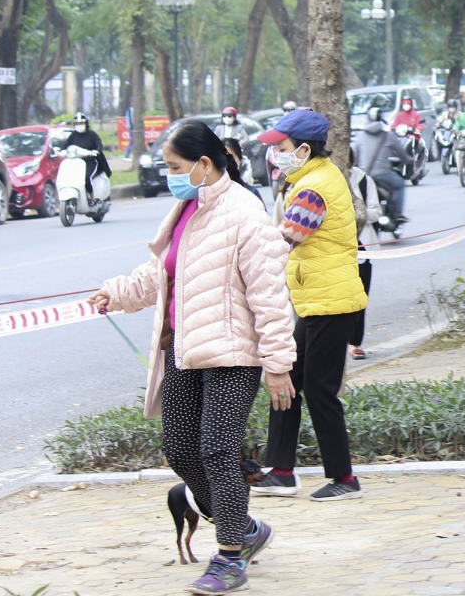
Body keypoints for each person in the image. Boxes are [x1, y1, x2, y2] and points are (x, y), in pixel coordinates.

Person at [88, 120, 296, 595]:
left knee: (219, 451)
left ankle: (228, 557)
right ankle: (243, 528)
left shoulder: (245, 213)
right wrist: (116, 292)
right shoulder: (185, 207)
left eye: (175, 166)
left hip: (232, 355)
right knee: (181, 449)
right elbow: (161, 273)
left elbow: (269, 295)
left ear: (205, 163)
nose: (169, 175)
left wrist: (278, 364)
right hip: (181, 349)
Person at [252, 109, 368, 503]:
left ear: (303, 149)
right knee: (288, 382)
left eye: (280, 148)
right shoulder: (316, 177)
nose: (275, 155)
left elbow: (284, 241)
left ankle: (344, 478)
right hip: (317, 298)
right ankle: (281, 471)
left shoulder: (312, 191)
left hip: (329, 302)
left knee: (319, 390)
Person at [346, 148, 382, 361]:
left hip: (362, 248)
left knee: (360, 297)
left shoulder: (364, 181)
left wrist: (356, 213)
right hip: (335, 249)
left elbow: (376, 212)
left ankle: (355, 343)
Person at [352, 108, 413, 223]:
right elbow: (402, 154)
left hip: (364, 176)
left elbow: (354, 157)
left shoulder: (360, 137)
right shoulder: (388, 136)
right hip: (384, 174)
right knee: (400, 184)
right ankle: (397, 214)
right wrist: (408, 159)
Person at [64, 111, 111, 200]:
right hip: (76, 163)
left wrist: (96, 151)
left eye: (81, 123)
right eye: (77, 123)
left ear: (85, 123)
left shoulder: (92, 135)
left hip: (90, 162)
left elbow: (99, 144)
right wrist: (59, 151)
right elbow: (65, 146)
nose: (79, 125)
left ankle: (92, 197)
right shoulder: (73, 136)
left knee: (85, 177)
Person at [222, 138, 264, 203]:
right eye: (222, 158)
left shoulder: (251, 193)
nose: (227, 163)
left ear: (240, 160)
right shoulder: (207, 197)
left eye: (231, 158)